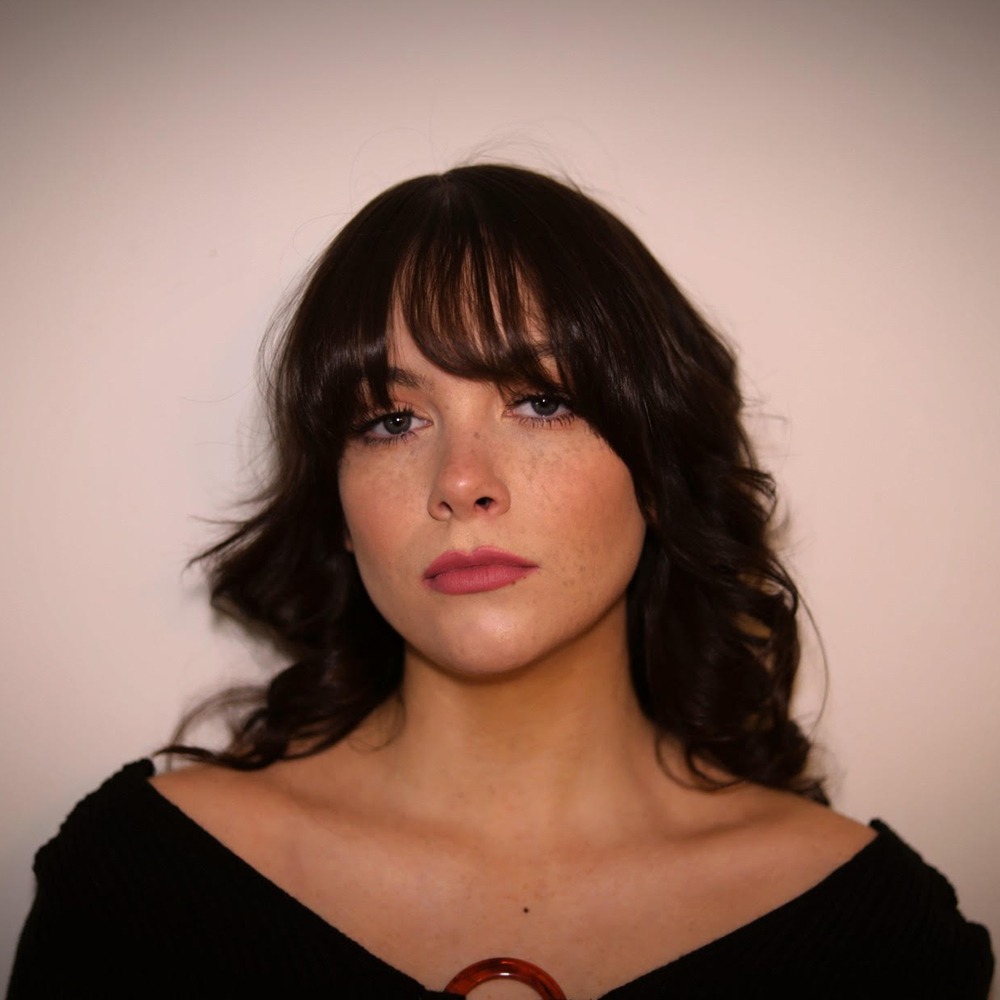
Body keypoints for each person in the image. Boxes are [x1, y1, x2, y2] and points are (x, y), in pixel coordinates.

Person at [9, 165, 993, 999]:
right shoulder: (138, 886)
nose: (462, 482)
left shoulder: (880, 936)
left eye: (541, 402)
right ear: (336, 508)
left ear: (657, 469)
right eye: (391, 420)